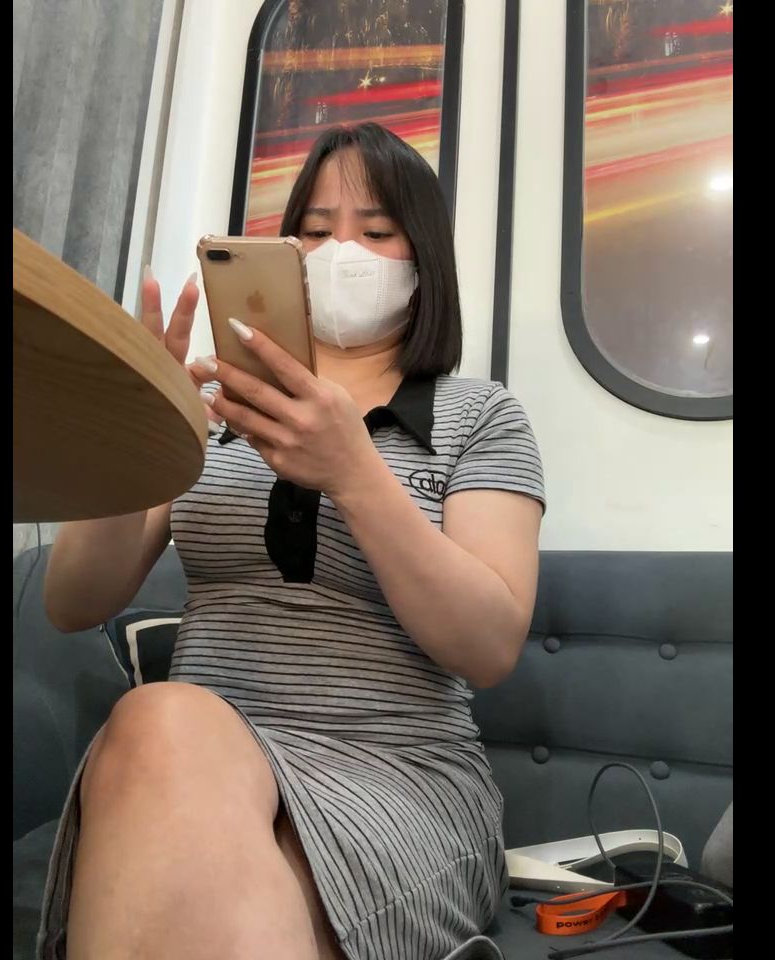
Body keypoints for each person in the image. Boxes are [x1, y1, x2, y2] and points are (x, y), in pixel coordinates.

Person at [39, 122, 545, 960]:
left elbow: (487, 646)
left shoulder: (481, 416)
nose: (341, 251)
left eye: (376, 231)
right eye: (313, 229)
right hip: (194, 761)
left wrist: (354, 472)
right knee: (161, 721)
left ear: (425, 258)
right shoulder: (217, 409)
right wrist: (137, 427)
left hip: (394, 773)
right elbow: (71, 602)